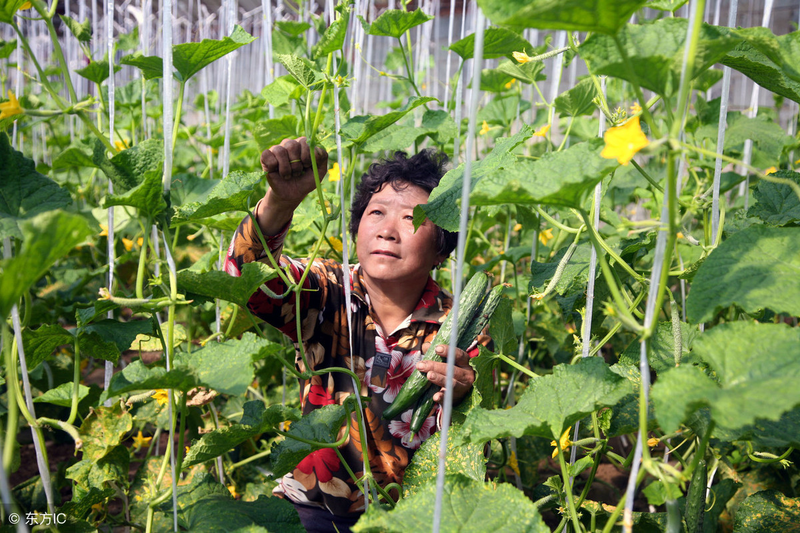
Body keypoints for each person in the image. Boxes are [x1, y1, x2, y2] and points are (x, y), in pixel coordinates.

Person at [224, 137, 480, 532]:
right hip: (313, 504)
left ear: (442, 249)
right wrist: (280, 204)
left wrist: (466, 394)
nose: (388, 231)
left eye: (412, 218)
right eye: (376, 212)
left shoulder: (463, 328)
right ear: (357, 228)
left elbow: (479, 432)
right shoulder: (325, 290)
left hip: (412, 517)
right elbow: (246, 281)